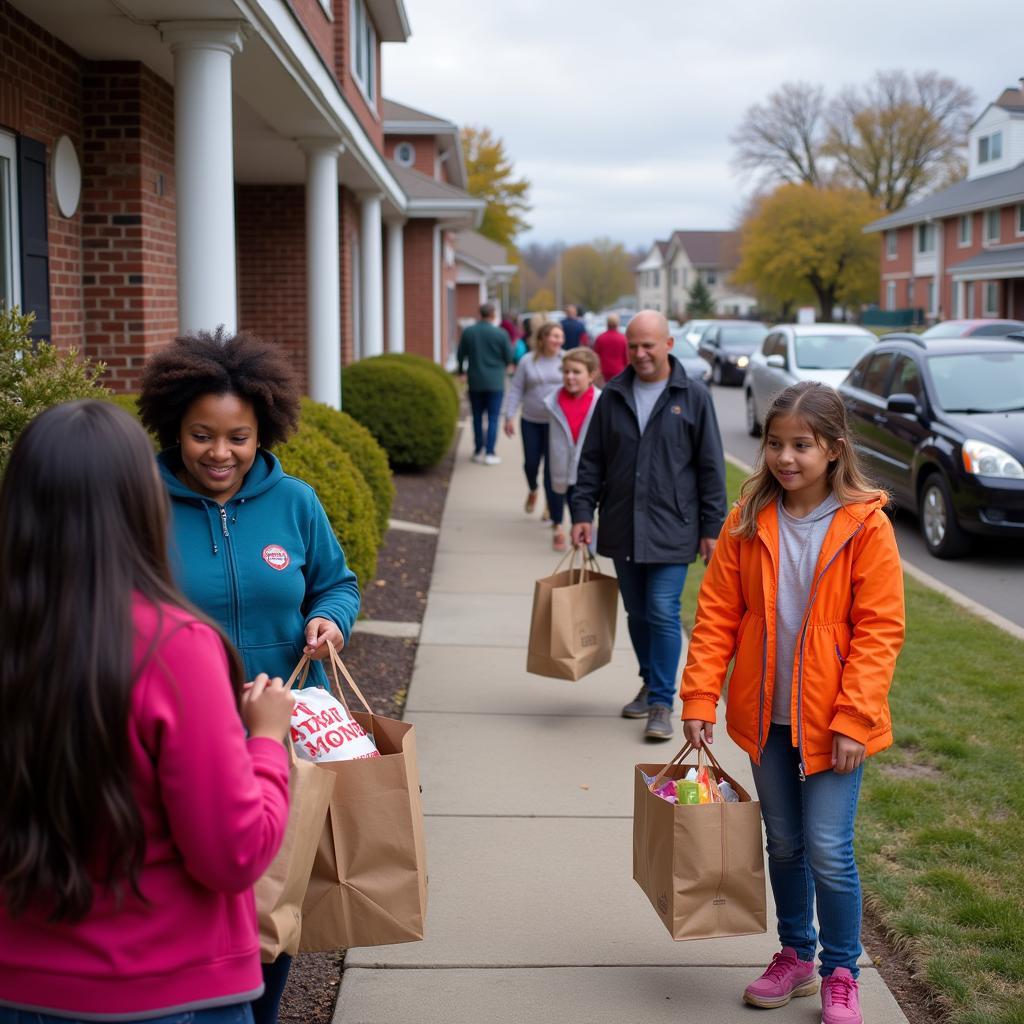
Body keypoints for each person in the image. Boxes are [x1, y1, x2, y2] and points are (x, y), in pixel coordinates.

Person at [0, 400, 292, 1023]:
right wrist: (267, 741)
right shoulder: (174, 648)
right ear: (141, 503)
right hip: (167, 991)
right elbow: (231, 854)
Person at [138, 330, 361, 1024]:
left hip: (282, 732)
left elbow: (337, 583)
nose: (220, 453)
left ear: (263, 430)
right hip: (178, 735)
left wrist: (330, 621)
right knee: (192, 890)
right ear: (175, 426)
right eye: (202, 435)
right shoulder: (140, 501)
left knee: (274, 892)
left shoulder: (294, 501)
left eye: (238, 437)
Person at [681, 381, 905, 1024]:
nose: (786, 457)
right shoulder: (748, 519)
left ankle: (841, 969)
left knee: (828, 847)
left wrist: (856, 719)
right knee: (783, 842)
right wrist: (699, 695)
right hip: (766, 716)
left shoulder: (867, 526)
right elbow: (717, 615)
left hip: (836, 723)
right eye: (775, 443)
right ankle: (796, 955)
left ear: (834, 449)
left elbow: (879, 631)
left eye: (802, 445)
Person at [570, 310, 726, 741]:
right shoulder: (613, 395)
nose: (639, 353)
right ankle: (648, 680)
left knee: (661, 610)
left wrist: (712, 527)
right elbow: (592, 461)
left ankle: (662, 700)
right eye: (633, 346)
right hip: (621, 524)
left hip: (673, 525)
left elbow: (711, 466)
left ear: (669, 345)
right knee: (636, 612)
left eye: (648, 345)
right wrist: (582, 512)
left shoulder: (693, 396)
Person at [503, 321, 566, 542]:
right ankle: (532, 489)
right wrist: (509, 415)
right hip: (530, 420)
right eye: (554, 336)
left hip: (556, 424)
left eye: (561, 336)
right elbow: (517, 389)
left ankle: (554, 513)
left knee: (552, 469)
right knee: (531, 463)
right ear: (542, 339)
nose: (559, 340)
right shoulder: (527, 361)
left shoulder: (565, 360)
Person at [543, 347, 602, 545]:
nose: (570, 377)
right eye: (566, 372)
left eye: (576, 372)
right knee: (573, 506)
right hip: (564, 468)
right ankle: (565, 530)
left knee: (586, 512)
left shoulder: (601, 402)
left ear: (592, 375)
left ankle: (585, 544)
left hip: (592, 470)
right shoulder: (553, 402)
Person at [457, 302, 514, 465]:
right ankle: (490, 451)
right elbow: (509, 357)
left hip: (475, 380)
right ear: (493, 315)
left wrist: (461, 371)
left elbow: (461, 355)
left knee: (477, 417)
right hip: (495, 381)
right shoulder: (501, 334)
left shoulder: (469, 332)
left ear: (479, 314)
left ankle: (478, 450)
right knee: (493, 417)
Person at [592, 312, 629, 383]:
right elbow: (626, 357)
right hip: (619, 371)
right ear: (618, 323)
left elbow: (596, 356)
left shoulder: (600, 338)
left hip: (603, 372)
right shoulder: (623, 339)